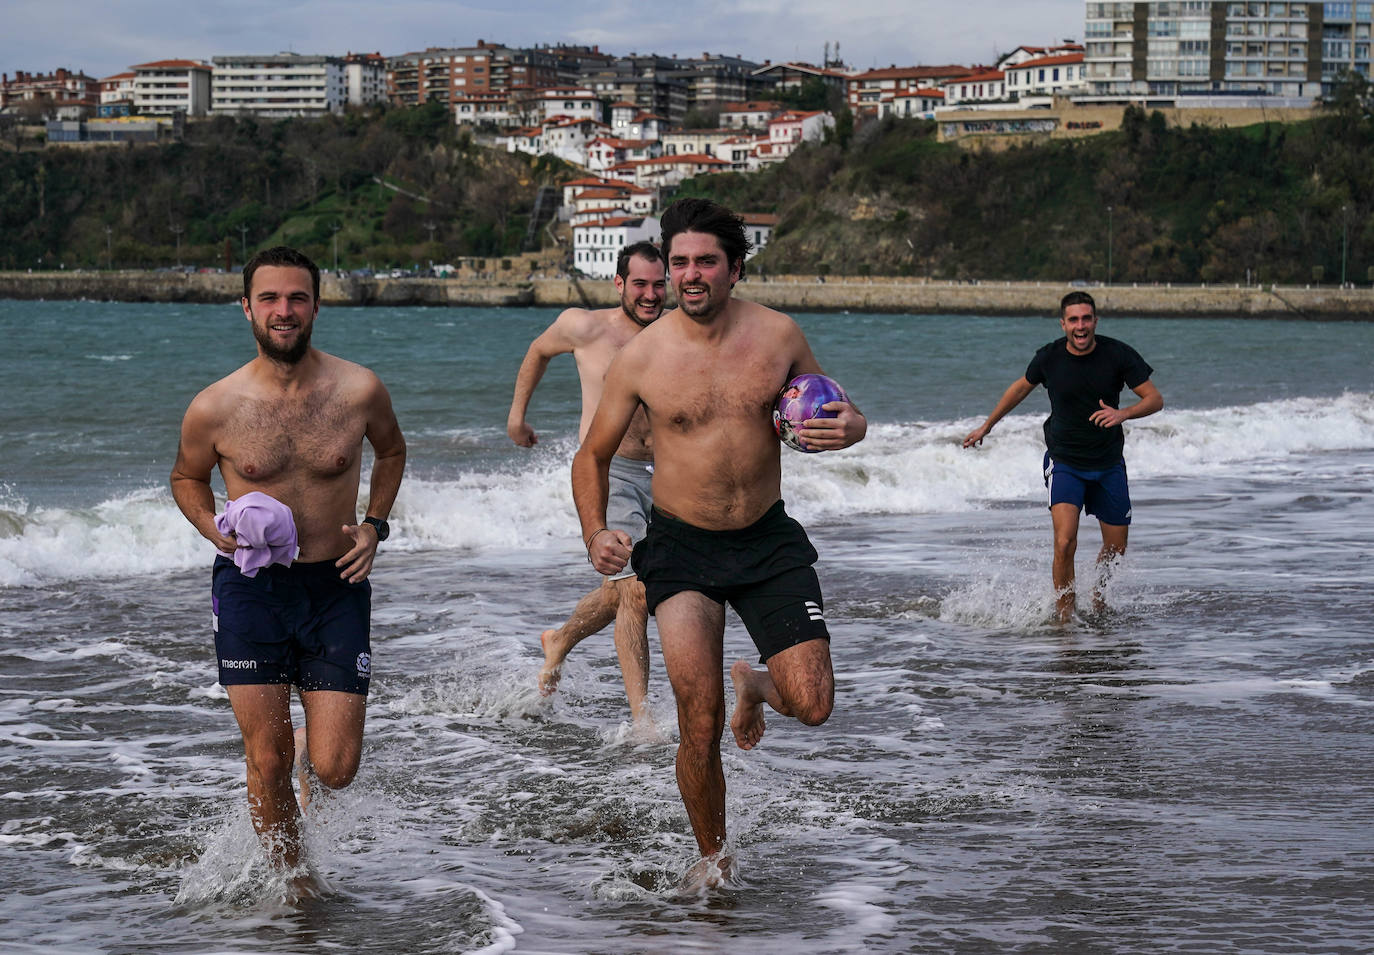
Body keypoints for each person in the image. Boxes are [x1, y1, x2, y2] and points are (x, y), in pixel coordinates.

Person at [571, 198, 867, 886]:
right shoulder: (643, 357)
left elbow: (832, 409)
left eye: (706, 261)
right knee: (697, 722)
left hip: (767, 542)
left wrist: (853, 428)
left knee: (815, 702)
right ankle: (714, 859)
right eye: (679, 262)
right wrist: (595, 531)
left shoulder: (778, 336)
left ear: (735, 268)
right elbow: (591, 456)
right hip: (682, 550)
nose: (690, 275)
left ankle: (757, 685)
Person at [171, 246, 406, 884]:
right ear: (246, 307)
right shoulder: (215, 405)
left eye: (296, 298)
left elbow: (391, 452)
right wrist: (209, 526)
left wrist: (375, 526)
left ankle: (306, 754)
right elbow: (186, 476)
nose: (284, 311)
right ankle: (295, 884)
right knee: (267, 762)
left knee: (334, 767)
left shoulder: (358, 389)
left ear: (316, 306)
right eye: (270, 298)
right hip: (251, 589)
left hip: (336, 586)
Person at [507, 242, 667, 727]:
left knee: (625, 590)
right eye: (640, 284)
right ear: (619, 283)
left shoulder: (679, 332)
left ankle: (560, 639)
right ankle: (642, 720)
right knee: (635, 589)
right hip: (609, 468)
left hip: (669, 474)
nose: (650, 294)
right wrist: (517, 418)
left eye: (660, 285)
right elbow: (537, 351)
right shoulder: (584, 326)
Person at [962, 290, 1163, 623]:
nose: (1080, 326)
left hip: (1108, 462)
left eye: (1086, 319)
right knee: (1065, 540)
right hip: (1065, 460)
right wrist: (987, 426)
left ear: (1095, 321)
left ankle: (1098, 598)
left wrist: (1123, 413)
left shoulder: (1119, 354)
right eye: (1073, 320)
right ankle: (1065, 618)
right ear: (1063, 323)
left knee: (1116, 549)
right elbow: (1020, 388)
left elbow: (1154, 399)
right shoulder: (1048, 357)